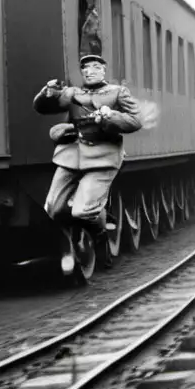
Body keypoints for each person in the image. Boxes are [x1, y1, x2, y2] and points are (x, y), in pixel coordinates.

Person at [33, 53, 142, 273]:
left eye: (94, 67)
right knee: (53, 208)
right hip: (71, 154)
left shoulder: (117, 92)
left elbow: (136, 120)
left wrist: (110, 116)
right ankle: (80, 234)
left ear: (103, 70)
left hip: (103, 155)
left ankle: (101, 237)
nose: (88, 72)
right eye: (84, 69)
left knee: (82, 212)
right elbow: (42, 107)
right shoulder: (73, 93)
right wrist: (47, 93)